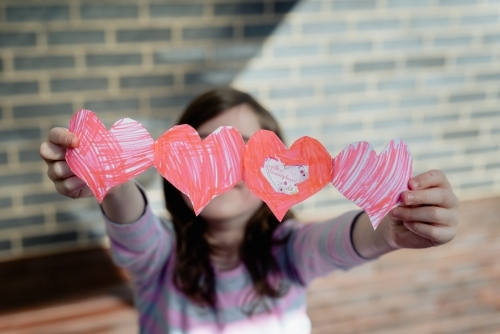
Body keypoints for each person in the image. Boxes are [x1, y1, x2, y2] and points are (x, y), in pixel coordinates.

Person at [39, 87, 459, 334]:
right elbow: (133, 224)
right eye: (204, 147)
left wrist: (391, 230)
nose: (225, 166)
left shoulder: (290, 250)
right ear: (174, 166)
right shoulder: (159, 255)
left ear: (281, 169)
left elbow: (340, 242)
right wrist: (105, 175)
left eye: (244, 147)